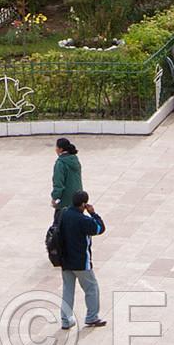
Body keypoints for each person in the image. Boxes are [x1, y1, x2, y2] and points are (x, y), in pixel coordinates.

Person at [54, 189, 108, 329]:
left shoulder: (64, 213)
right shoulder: (83, 220)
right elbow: (99, 228)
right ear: (84, 204)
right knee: (91, 288)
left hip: (65, 260)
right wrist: (93, 213)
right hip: (81, 262)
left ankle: (66, 320)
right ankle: (92, 317)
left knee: (68, 290)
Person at [51, 135, 82, 212]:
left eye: (56, 147)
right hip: (78, 198)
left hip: (65, 202)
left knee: (60, 223)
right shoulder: (75, 159)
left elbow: (58, 184)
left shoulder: (60, 163)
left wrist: (55, 198)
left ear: (60, 149)